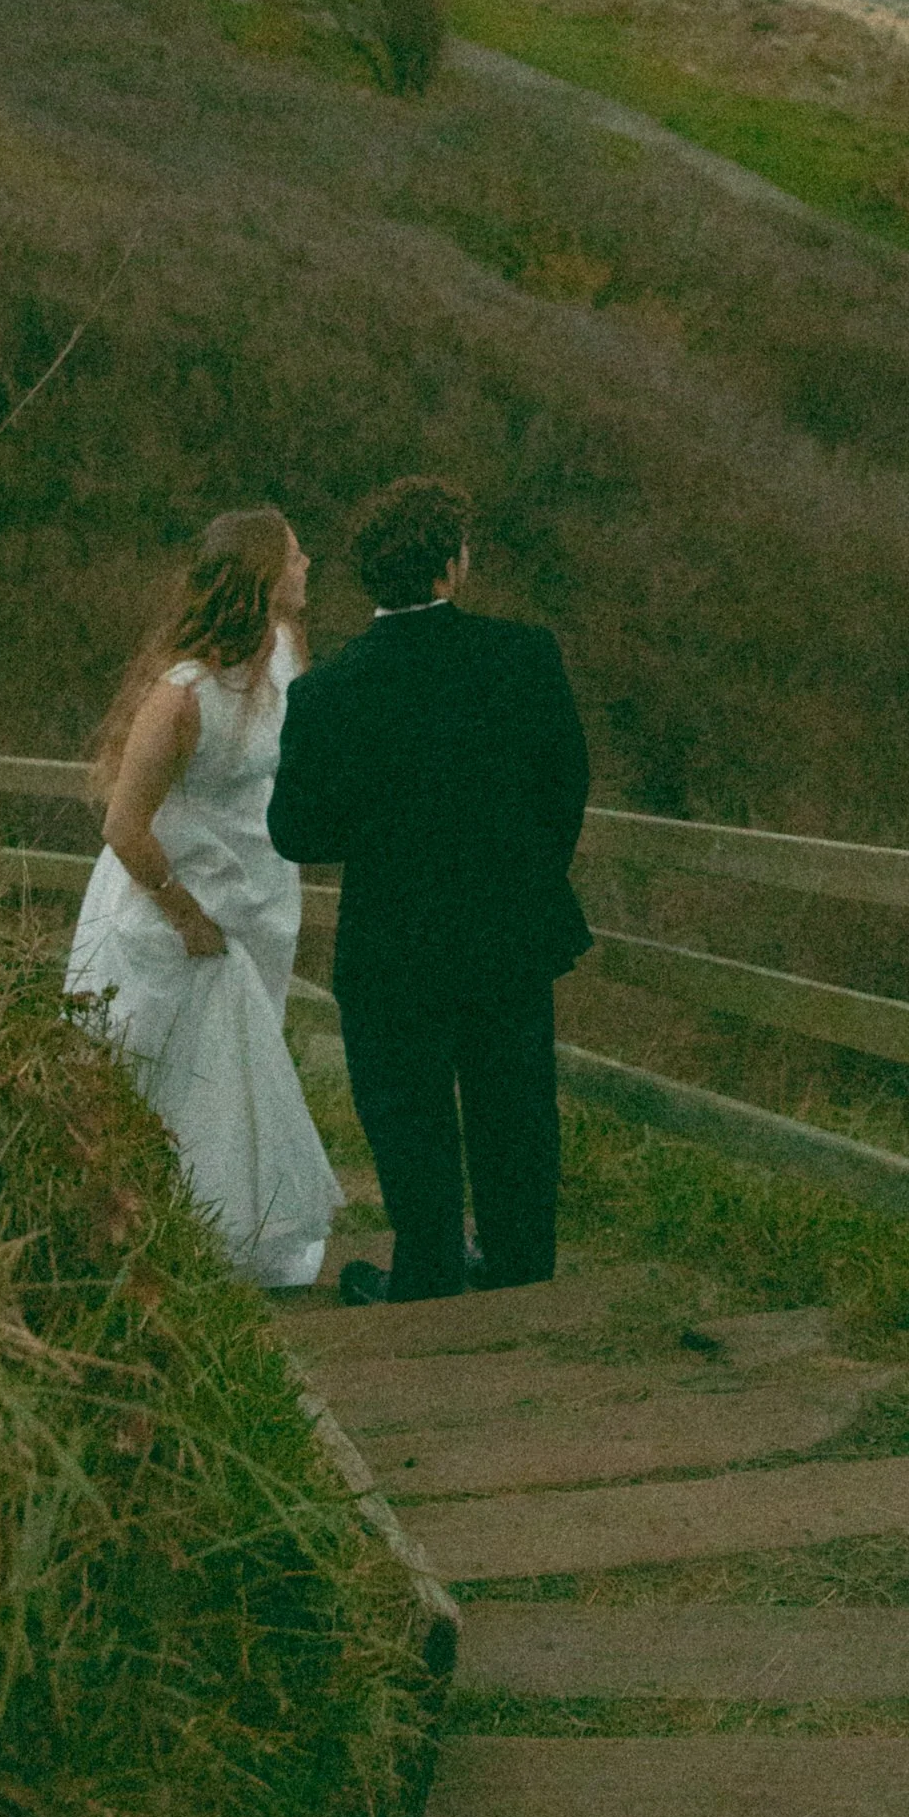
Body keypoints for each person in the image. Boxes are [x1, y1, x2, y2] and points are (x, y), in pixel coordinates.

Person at [268, 474, 591, 1305]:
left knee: (406, 1105)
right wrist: (521, 872)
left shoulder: (326, 693)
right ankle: (521, 1264)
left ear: (373, 576)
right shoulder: (524, 655)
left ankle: (429, 1271)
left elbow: (296, 833)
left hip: (392, 934)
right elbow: (565, 788)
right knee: (515, 1101)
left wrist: (384, 831)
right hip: (508, 926)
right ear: (452, 565)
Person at [65, 504, 342, 1289]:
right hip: (172, 907)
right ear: (262, 576)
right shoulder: (180, 698)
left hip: (257, 893)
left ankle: (228, 1233)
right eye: (294, 554)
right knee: (157, 1066)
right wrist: (186, 916)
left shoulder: (285, 653)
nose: (308, 562)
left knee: (242, 1077)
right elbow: (124, 824)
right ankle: (137, 1232)